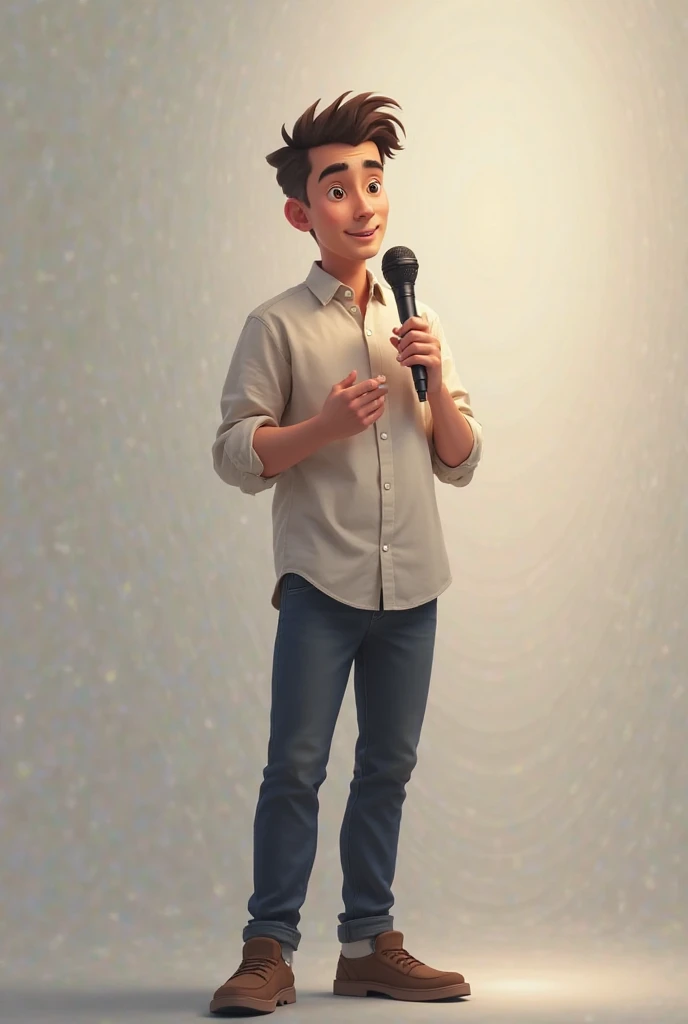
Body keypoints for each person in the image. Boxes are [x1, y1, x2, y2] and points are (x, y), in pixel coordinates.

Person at [209, 91, 482, 1015]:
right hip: (321, 587)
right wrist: (319, 426)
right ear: (300, 211)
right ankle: (266, 950)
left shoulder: (418, 321)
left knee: (388, 769)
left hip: (414, 587)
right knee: (295, 764)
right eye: (338, 187)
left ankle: (368, 943)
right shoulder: (276, 325)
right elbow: (235, 454)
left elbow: (460, 459)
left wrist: (435, 380)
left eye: (373, 180)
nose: (363, 202)